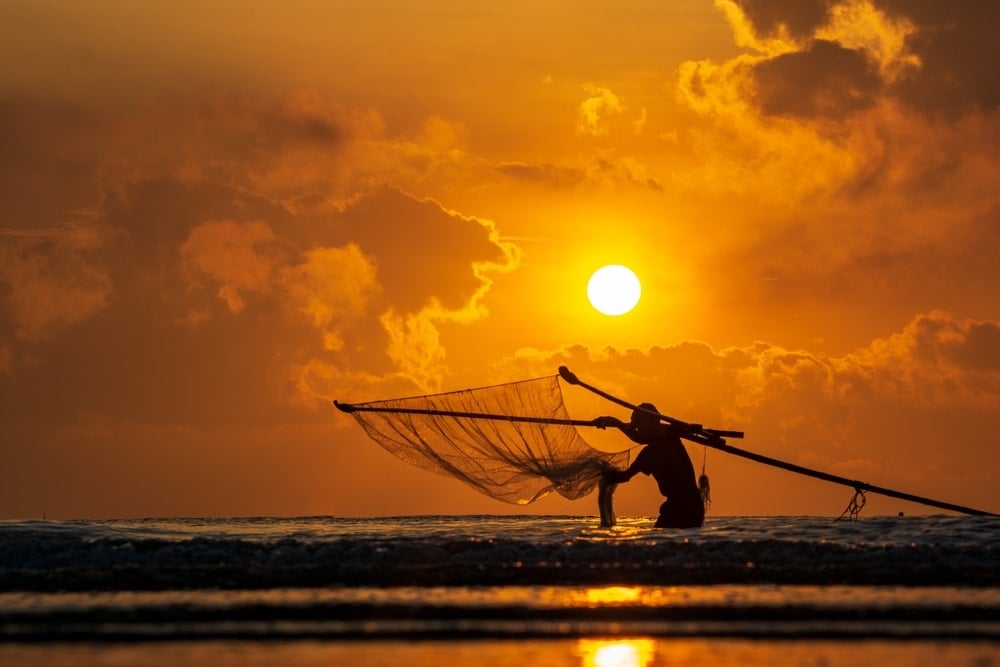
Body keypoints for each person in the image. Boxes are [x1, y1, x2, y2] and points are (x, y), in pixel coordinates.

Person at [593, 402, 705, 528]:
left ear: (652, 422)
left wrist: (617, 423)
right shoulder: (651, 451)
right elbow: (625, 476)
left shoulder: (669, 437)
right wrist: (616, 423)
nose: (637, 428)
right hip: (683, 506)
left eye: (639, 424)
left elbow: (641, 436)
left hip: (685, 507)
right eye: (636, 425)